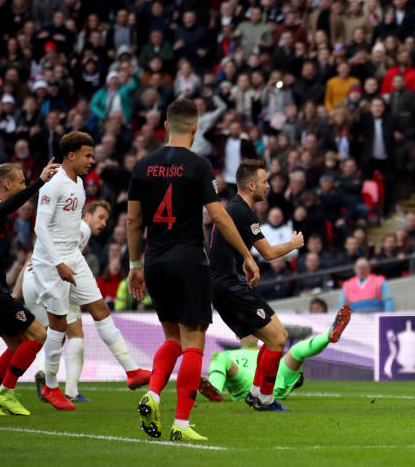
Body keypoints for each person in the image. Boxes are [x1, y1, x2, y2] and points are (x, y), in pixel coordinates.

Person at [127, 99, 259, 442]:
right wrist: (247, 254)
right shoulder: (199, 166)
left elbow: (132, 221)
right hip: (188, 260)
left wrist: (134, 265)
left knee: (172, 337)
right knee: (193, 343)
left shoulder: (143, 165)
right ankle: (181, 425)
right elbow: (219, 217)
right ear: (196, 127)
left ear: (166, 125)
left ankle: (153, 394)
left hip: (154, 261)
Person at [31, 132, 150, 411]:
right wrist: (58, 263)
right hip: (51, 262)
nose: (91, 160)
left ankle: (132, 372)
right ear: (70, 156)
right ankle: (50, 386)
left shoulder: (80, 183)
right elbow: (39, 228)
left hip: (73, 256)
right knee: (58, 323)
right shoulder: (53, 185)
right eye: (87, 155)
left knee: (100, 310)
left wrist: (69, 259)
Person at [208, 158, 305, 411]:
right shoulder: (241, 211)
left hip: (227, 287)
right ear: (251, 185)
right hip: (231, 288)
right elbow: (270, 252)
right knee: (278, 338)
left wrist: (246, 263)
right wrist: (293, 245)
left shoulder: (235, 209)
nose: (269, 186)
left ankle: (255, 394)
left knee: (272, 339)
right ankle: (265, 398)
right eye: (264, 182)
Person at [0, 160, 59, 416]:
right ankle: (6, 392)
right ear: (7, 184)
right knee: (38, 334)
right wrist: (40, 183)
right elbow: (4, 208)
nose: (23, 187)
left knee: (17, 345)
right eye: (21, 183)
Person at [22, 200, 113, 403]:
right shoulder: (82, 229)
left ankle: (42, 371)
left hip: (35, 284)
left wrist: (17, 291)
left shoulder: (62, 229)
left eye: (106, 219)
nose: (104, 223)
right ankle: (71, 389)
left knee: (53, 333)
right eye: (100, 217)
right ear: (86, 216)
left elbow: (37, 251)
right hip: (56, 284)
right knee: (76, 334)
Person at [198, 306, 351, 404]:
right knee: (218, 356)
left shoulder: (268, 351)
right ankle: (214, 390)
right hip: (247, 387)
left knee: (296, 351)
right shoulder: (228, 355)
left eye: (254, 330)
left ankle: (329, 335)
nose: (251, 333)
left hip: (275, 380)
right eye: (246, 330)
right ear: (238, 336)